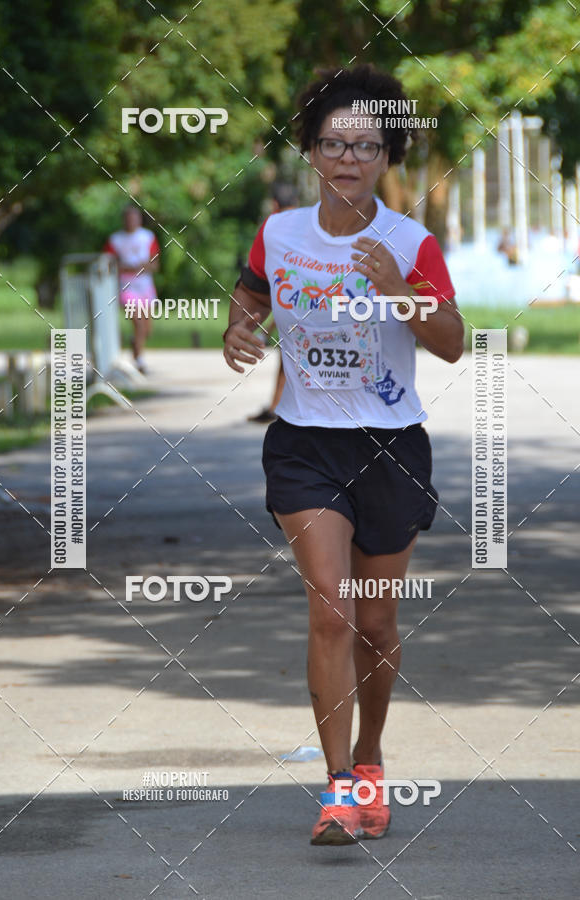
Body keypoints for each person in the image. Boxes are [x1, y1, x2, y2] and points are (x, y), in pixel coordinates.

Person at [222, 64, 463, 846]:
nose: (347, 159)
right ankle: (334, 790)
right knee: (330, 608)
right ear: (312, 151)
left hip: (391, 447)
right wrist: (240, 326)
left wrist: (400, 291)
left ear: (387, 155)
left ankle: (368, 760)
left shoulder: (409, 241)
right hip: (304, 445)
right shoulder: (281, 231)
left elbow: (454, 344)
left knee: (375, 622)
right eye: (333, 143)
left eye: (364, 145)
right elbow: (253, 288)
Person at [247, 182, 298, 424]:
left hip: (293, 300)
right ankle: (275, 406)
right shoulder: (310, 225)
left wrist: (263, 331)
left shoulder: (274, 229)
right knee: (288, 357)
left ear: (275, 205)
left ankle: (279, 408)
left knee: (290, 357)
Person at [103, 204, 160, 374]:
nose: (131, 222)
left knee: (147, 328)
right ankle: (139, 361)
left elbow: (155, 264)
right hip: (126, 287)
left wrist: (140, 267)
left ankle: (136, 343)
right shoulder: (115, 240)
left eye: (134, 218)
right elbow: (109, 264)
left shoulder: (147, 237)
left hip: (145, 286)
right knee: (139, 323)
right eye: (128, 218)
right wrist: (129, 268)